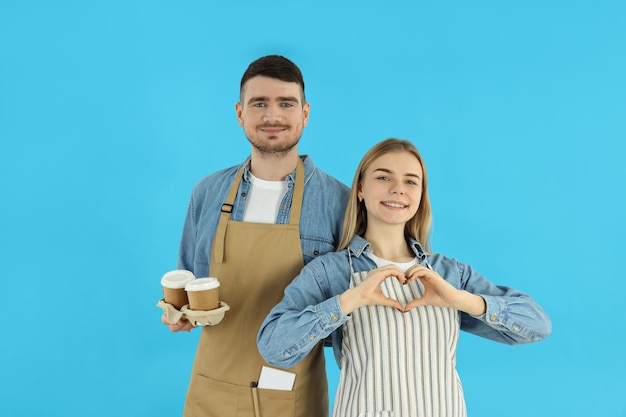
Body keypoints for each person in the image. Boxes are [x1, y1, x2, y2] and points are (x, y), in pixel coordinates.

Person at [257, 138, 552, 417]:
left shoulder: (449, 274)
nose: (398, 189)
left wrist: (459, 299)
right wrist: (348, 301)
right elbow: (273, 348)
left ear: (421, 196)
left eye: (411, 181)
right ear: (360, 189)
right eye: (383, 177)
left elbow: (537, 326)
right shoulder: (330, 273)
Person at [161, 55, 349, 417]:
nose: (272, 115)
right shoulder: (206, 193)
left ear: (305, 113)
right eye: (259, 103)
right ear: (239, 113)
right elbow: (188, 286)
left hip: (290, 391)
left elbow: (347, 314)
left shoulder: (338, 203)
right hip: (211, 388)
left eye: (286, 103)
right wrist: (178, 313)